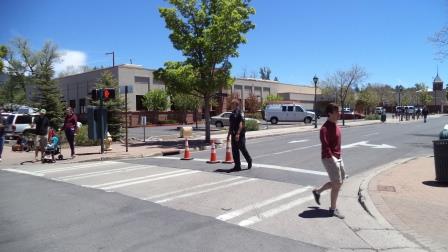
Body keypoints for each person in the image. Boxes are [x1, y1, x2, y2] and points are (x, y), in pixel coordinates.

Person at [312, 103, 345, 219]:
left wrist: (339, 158)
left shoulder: (336, 126)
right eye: (336, 112)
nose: (339, 114)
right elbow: (326, 148)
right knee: (337, 184)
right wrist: (334, 160)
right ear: (330, 113)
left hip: (338, 157)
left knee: (340, 181)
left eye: (339, 111)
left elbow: (337, 145)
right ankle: (332, 209)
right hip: (328, 158)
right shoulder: (324, 129)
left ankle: (318, 192)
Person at [226, 99, 252, 172]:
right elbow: (231, 126)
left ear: (236, 104)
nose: (231, 105)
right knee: (234, 151)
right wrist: (228, 135)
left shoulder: (240, 112)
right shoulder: (232, 114)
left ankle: (249, 160)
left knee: (242, 149)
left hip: (240, 135)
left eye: (232, 104)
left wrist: (238, 134)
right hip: (233, 135)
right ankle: (237, 166)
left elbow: (241, 124)